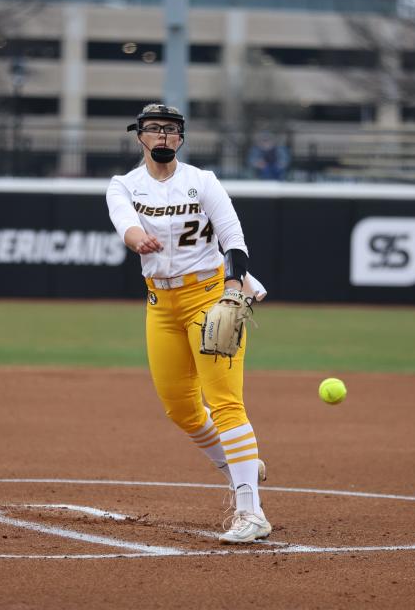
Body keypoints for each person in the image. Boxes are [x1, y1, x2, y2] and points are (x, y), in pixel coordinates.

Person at [105, 103, 271, 543]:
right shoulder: (124, 185)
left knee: (225, 401)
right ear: (139, 136)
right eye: (154, 129)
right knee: (179, 407)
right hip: (160, 302)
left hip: (209, 294)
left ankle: (250, 511)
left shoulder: (202, 182)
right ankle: (241, 465)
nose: (163, 136)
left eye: (171, 129)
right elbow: (124, 221)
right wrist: (135, 236)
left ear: (181, 137)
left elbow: (232, 237)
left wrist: (234, 287)